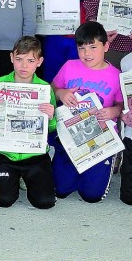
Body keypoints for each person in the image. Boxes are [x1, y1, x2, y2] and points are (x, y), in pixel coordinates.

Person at [51, 21, 123, 203]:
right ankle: (72, 167)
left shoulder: (116, 75)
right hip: (70, 137)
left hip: (100, 140)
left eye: (93, 47)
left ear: (106, 46)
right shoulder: (69, 66)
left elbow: (121, 105)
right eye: (81, 48)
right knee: (60, 190)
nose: (87, 53)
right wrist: (61, 93)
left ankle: (102, 165)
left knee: (91, 195)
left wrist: (112, 111)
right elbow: (52, 88)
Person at [0, 36, 56, 209]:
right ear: (11, 58)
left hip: (34, 154)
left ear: (39, 62)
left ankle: (29, 175)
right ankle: (9, 175)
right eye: (19, 59)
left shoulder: (45, 89)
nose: (24, 66)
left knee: (45, 202)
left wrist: (51, 117)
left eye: (30, 60)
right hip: (5, 152)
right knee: (3, 200)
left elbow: (52, 127)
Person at [121, 56, 132, 205]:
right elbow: (123, 95)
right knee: (128, 198)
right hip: (131, 134)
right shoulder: (127, 62)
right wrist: (123, 111)